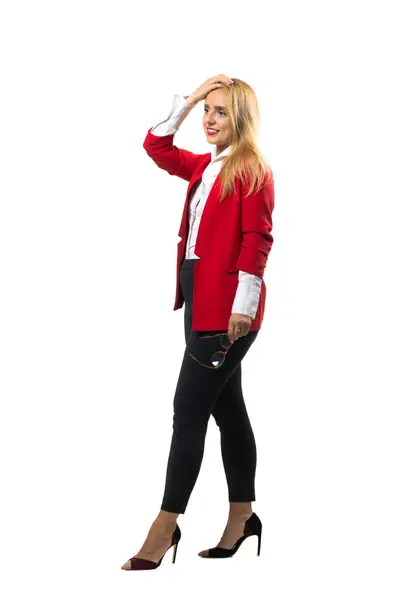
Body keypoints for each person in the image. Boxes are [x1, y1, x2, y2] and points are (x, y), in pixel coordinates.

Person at [121, 74, 275, 570]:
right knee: (227, 410)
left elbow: (258, 239)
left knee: (187, 410)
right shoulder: (204, 167)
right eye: (207, 110)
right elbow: (156, 145)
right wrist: (187, 101)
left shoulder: (251, 169)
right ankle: (242, 517)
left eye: (221, 111)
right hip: (198, 299)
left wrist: (242, 307)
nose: (210, 119)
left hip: (228, 310)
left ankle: (165, 526)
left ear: (242, 118)